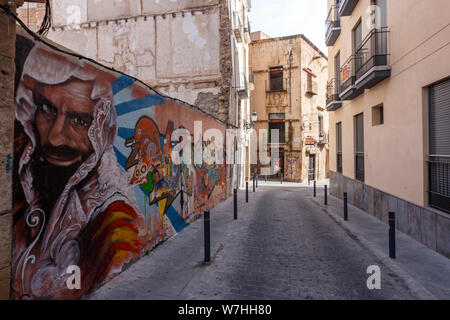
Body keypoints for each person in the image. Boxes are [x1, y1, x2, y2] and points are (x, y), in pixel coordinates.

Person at [12, 43, 146, 299]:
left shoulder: (114, 225)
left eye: (79, 121)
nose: (56, 137)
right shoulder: (21, 170)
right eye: (48, 110)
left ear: (99, 129)